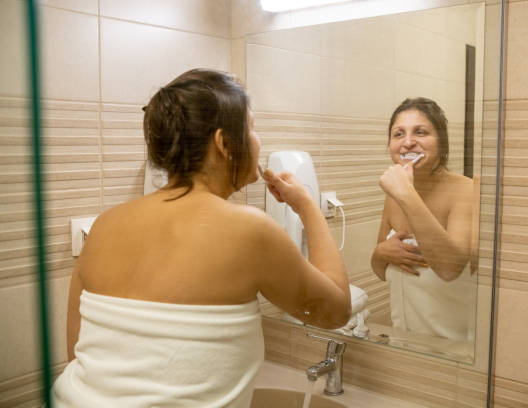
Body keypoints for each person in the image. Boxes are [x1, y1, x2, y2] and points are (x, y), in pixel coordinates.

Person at [52, 69, 351, 407]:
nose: (258, 139)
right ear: (224, 144)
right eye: (252, 127)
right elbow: (336, 310)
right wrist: (308, 205)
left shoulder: (104, 226)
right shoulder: (249, 229)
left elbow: (79, 357)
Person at [370, 97, 476, 341]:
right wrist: (379, 253)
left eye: (420, 132)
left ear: (442, 141)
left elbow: (450, 269)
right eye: (398, 134)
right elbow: (381, 270)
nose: (408, 142)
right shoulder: (395, 195)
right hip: (404, 339)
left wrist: (406, 194)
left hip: (454, 347)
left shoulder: (466, 192)